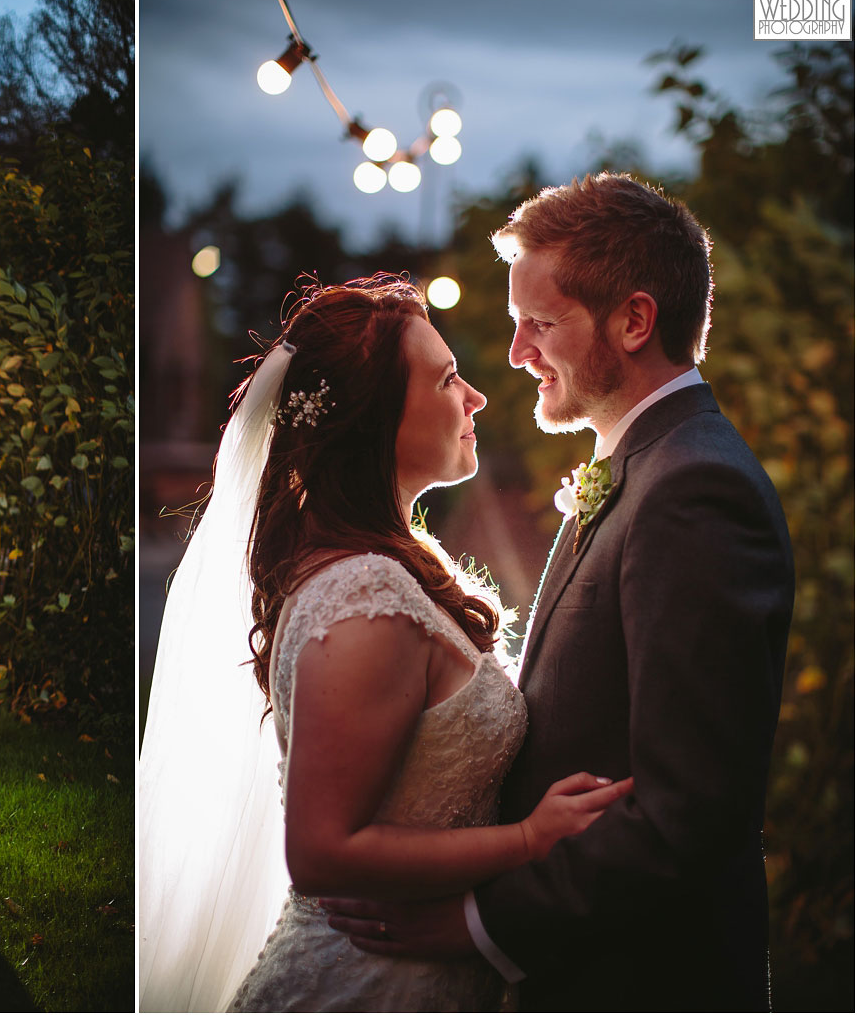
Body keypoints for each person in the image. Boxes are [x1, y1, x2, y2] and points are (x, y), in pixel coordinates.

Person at [324, 174, 795, 1011]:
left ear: (634, 320)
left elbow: (685, 817)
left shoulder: (693, 492)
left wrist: (474, 922)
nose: (515, 354)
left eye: (538, 324)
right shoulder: (647, 468)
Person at [138, 276, 632, 1012]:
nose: (476, 399)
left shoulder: (397, 565)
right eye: (447, 379)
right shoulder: (362, 598)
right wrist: (529, 841)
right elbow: (320, 850)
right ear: (377, 421)